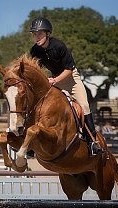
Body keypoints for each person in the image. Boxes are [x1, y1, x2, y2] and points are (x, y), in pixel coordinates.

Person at [29, 17, 103, 155]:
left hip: (70, 79)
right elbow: (37, 71)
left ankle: (92, 141)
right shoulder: (35, 51)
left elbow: (69, 69)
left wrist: (55, 80)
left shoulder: (59, 46)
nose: (36, 37)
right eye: (34, 34)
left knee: (84, 105)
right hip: (53, 79)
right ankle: (33, 142)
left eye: (39, 33)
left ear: (47, 34)